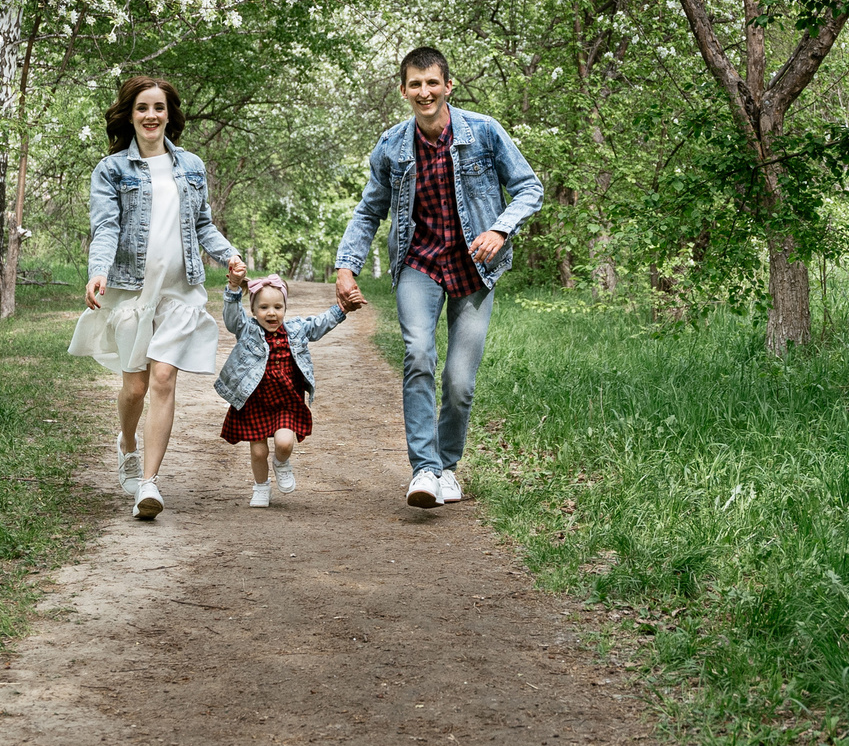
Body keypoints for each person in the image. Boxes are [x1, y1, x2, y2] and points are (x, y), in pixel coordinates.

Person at [334, 46, 544, 510]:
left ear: (449, 86)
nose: (424, 92)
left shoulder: (484, 132)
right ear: (404, 90)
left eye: (433, 83)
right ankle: (424, 470)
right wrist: (346, 265)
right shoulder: (391, 146)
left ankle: (448, 466)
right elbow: (370, 211)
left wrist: (499, 228)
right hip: (419, 264)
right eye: (415, 84)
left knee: (459, 381)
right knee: (418, 353)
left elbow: (530, 188)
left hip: (474, 266)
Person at [71, 76, 245, 520]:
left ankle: (148, 484)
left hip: (179, 289)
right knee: (135, 386)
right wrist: (98, 271)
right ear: (130, 114)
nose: (151, 116)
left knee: (164, 378)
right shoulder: (111, 170)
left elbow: (202, 224)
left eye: (159, 108)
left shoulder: (190, 166)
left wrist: (230, 256)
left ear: (170, 114)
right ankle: (126, 442)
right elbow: (106, 227)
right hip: (132, 290)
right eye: (143, 108)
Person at [212, 272, 349, 507]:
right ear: (254, 311)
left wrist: (341, 309)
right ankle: (261, 487)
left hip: (286, 400)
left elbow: (318, 325)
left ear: (285, 308)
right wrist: (234, 288)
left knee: (284, 443)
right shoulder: (247, 330)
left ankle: (282, 463)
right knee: (258, 453)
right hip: (254, 401)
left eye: (278, 307)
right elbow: (232, 318)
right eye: (264, 307)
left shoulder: (295, 330)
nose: (271, 313)